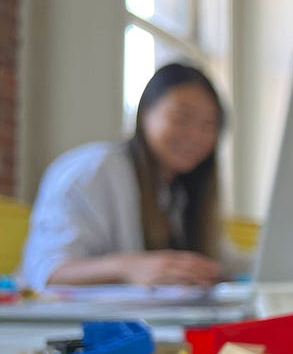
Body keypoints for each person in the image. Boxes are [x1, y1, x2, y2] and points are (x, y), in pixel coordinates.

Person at [19, 63, 241, 289]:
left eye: (209, 125)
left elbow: (226, 260)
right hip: (70, 321)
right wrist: (129, 267)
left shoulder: (178, 192)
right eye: (181, 118)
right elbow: (46, 271)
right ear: (145, 113)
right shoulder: (94, 169)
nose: (196, 135)